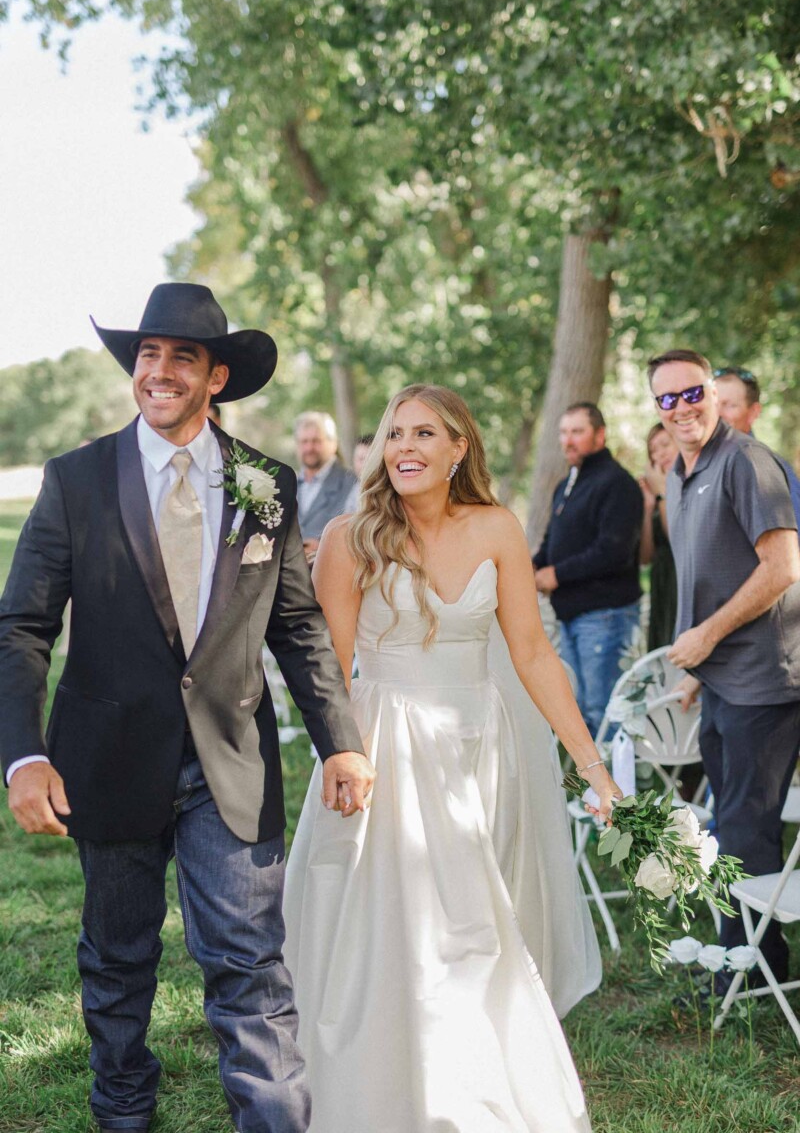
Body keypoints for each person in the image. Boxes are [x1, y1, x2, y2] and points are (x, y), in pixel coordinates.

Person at [0, 283, 374, 1133]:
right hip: (106, 757)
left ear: (217, 377)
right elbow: (20, 626)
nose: (159, 372)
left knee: (249, 965)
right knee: (118, 961)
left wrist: (340, 742)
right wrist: (24, 756)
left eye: (182, 358)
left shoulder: (266, 486)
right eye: (148, 355)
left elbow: (297, 625)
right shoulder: (76, 479)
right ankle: (124, 1114)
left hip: (229, 764)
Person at [283, 384, 620, 1133]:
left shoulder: (498, 528)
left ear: (458, 447)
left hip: (480, 745)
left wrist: (592, 765)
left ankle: (466, 1082)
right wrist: (341, 753)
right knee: (398, 922)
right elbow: (328, 667)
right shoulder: (349, 535)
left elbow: (531, 654)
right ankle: (392, 1086)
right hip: (383, 747)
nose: (403, 447)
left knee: (476, 924)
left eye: (423, 434)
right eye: (394, 433)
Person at [648, 349, 800, 988]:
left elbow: (783, 567)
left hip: (764, 682)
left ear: (713, 393)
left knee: (746, 828)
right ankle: (746, 959)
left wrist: (706, 637)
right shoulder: (681, 473)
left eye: (693, 393)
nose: (682, 407)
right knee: (730, 825)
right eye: (668, 399)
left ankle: (755, 972)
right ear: (656, 409)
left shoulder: (744, 462)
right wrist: (695, 670)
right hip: (717, 680)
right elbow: (707, 576)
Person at [533, 402, 643, 738]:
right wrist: (530, 567)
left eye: (577, 431)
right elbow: (552, 541)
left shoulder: (617, 483)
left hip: (605, 616)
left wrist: (557, 575)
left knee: (604, 711)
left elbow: (614, 552)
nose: (568, 440)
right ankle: (592, 790)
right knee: (580, 709)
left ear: (599, 434)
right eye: (564, 432)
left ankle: (619, 791)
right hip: (571, 615)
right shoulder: (568, 483)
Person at [714, 366, 800, 532]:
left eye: (730, 405)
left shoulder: (766, 469)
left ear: (753, 412)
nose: (718, 414)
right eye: (714, 404)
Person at [294, 411, 357, 563]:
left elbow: (360, 533)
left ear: (333, 443)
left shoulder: (353, 483)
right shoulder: (289, 484)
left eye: (316, 441)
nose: (309, 448)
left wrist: (323, 546)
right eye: (304, 441)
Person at [639, 423, 678, 650]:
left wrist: (663, 493)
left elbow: (676, 539)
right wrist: (647, 506)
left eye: (665, 445)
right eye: (653, 449)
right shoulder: (655, 493)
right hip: (660, 581)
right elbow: (645, 557)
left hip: (681, 579)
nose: (659, 454)